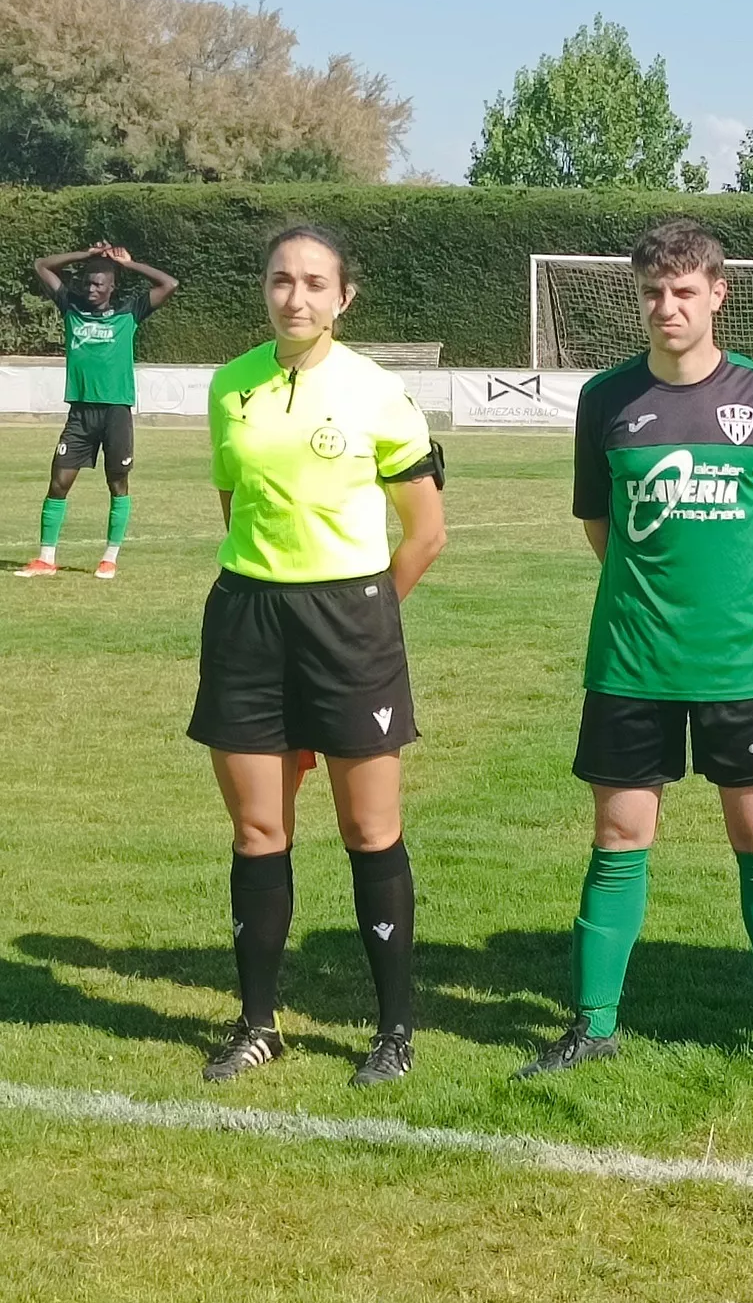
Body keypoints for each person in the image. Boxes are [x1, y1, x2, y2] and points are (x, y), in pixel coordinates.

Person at [516, 220, 753, 1092]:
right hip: (632, 661)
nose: (668, 307)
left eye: (685, 291)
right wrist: (647, 596)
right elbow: (600, 523)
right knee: (619, 838)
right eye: (653, 292)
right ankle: (594, 1026)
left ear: (717, 294)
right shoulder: (606, 400)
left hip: (739, 664)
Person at [188, 225, 446, 1086]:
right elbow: (237, 506)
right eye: (280, 280)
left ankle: (394, 1031)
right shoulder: (231, 385)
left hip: (350, 622)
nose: (294, 297)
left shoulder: (378, 393)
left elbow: (426, 532)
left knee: (370, 829)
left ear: (344, 297)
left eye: (312, 283)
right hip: (248, 619)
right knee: (259, 829)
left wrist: (366, 619)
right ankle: (257, 1025)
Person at [17, 242, 179, 579]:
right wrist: (85, 256)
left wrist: (130, 264)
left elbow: (169, 284)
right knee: (59, 481)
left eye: (99, 284)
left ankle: (109, 558)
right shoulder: (71, 306)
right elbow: (42, 264)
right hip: (80, 413)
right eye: (88, 283)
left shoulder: (129, 312)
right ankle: (46, 559)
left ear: (111, 287)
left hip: (116, 412)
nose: (91, 289)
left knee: (117, 483)